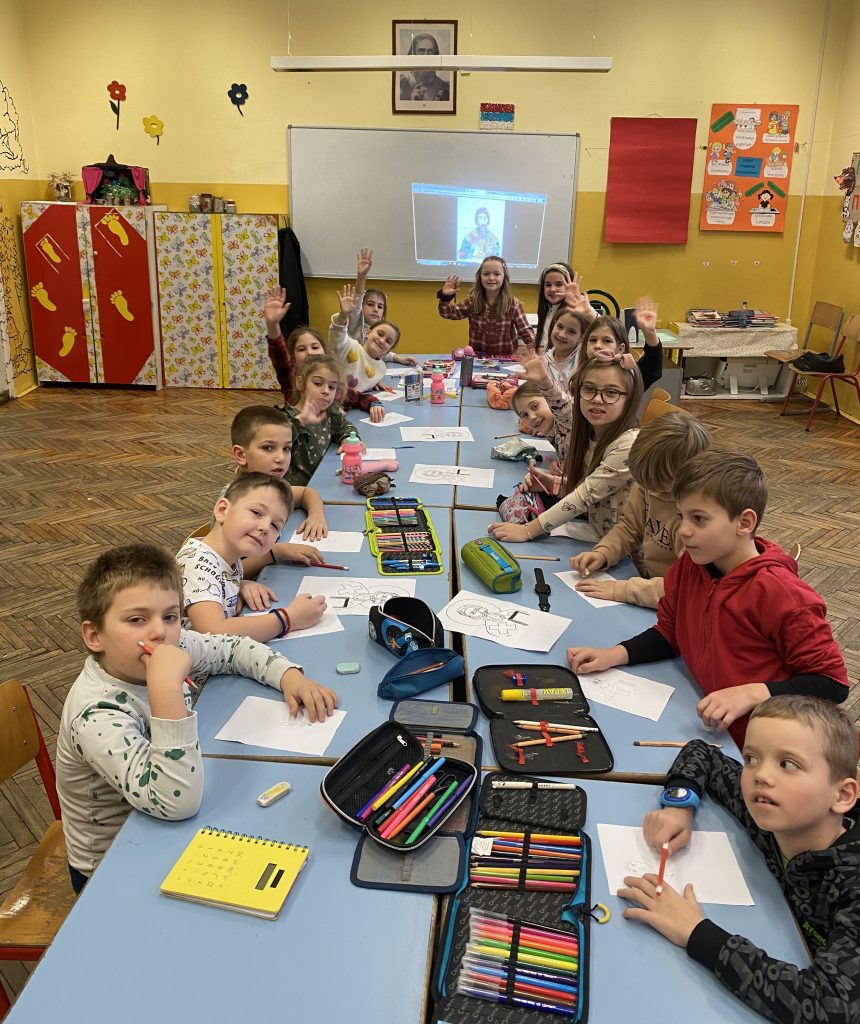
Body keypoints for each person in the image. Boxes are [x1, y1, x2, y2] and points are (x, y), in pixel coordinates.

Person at [56, 542, 338, 891]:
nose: (159, 632)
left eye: (170, 616)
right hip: (112, 867)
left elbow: (233, 648)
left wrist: (288, 676)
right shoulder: (97, 713)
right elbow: (176, 801)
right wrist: (166, 690)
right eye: (136, 619)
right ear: (94, 635)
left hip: (167, 824)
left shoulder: (172, 644)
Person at [567, 451, 849, 745]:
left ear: (744, 522)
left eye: (699, 519)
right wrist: (615, 654)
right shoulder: (690, 566)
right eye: (681, 516)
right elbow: (671, 632)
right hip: (709, 723)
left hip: (761, 741)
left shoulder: (782, 594)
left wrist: (754, 692)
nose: (683, 530)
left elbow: (832, 683)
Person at [620, 696, 860, 1023]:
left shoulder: (852, 883)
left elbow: (831, 1007)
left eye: (788, 764)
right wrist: (680, 804)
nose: (761, 775)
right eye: (751, 758)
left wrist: (696, 932)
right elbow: (702, 752)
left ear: (842, 795)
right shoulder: (766, 805)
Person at [490, 353, 643, 543]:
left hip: (628, 551)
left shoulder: (628, 445)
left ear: (630, 399)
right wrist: (553, 484)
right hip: (599, 535)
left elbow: (585, 495)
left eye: (611, 392)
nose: (597, 399)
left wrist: (528, 530)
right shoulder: (590, 431)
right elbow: (591, 487)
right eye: (589, 389)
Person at [571, 412, 711, 608]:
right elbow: (629, 527)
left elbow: (683, 589)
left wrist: (621, 590)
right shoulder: (648, 485)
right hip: (648, 583)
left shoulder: (698, 520)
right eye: (645, 483)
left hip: (672, 600)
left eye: (660, 486)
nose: (650, 490)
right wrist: (604, 553)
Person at [178, 473, 326, 641]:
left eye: (275, 525)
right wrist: (288, 618)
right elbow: (213, 632)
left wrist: (241, 583)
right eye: (256, 513)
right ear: (222, 510)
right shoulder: (195, 564)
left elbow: (222, 575)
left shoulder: (228, 555)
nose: (265, 527)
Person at [218, 405, 327, 566]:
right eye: (268, 448)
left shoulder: (269, 490)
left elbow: (306, 493)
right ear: (241, 454)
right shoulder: (234, 500)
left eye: (286, 448)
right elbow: (226, 570)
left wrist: (316, 516)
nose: (281, 458)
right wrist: (275, 553)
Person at [283, 355, 360, 486]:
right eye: (318, 384)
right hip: (298, 489)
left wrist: (347, 438)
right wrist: (300, 421)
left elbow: (344, 425)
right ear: (300, 383)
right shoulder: (286, 418)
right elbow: (279, 438)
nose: (326, 391)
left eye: (332, 387)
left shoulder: (329, 413)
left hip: (325, 481)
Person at [437, 256, 535, 358]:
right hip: (479, 358)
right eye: (486, 274)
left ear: (504, 277)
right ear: (480, 277)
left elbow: (525, 331)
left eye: (496, 274)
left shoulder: (513, 304)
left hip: (506, 359)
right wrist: (445, 296)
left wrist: (533, 351)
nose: (491, 278)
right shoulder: (472, 302)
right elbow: (448, 313)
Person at [330, 283, 401, 423]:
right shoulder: (350, 347)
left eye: (388, 341)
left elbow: (359, 387)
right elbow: (337, 335)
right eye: (380, 334)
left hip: (349, 410)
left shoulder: (381, 369)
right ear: (367, 332)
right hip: (327, 403)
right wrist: (343, 316)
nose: (382, 341)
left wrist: (372, 383)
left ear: (389, 350)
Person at [347, 247, 416, 367]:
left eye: (380, 307)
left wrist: (398, 358)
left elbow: (382, 351)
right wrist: (362, 276)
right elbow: (357, 299)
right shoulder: (355, 323)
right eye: (370, 304)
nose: (375, 309)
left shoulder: (379, 330)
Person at [576, 299, 663, 391]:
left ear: (620, 349)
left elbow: (652, 368)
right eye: (593, 340)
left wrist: (650, 333)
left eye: (607, 341)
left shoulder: (628, 376)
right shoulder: (580, 374)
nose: (597, 345)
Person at [263, 285, 328, 407]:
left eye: (315, 347)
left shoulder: (332, 375)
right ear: (292, 357)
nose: (309, 352)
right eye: (301, 349)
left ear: (325, 352)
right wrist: (272, 324)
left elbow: (354, 396)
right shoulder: (290, 378)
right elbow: (278, 353)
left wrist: (369, 404)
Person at [534, 263, 597, 350]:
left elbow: (603, 328)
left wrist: (590, 314)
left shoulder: (577, 310)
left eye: (559, 284)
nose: (552, 289)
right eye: (548, 285)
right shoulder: (547, 310)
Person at [399, 33, 450, 102]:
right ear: (412, 55)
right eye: (421, 51)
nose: (426, 56)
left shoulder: (446, 89)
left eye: (430, 52)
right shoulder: (400, 85)